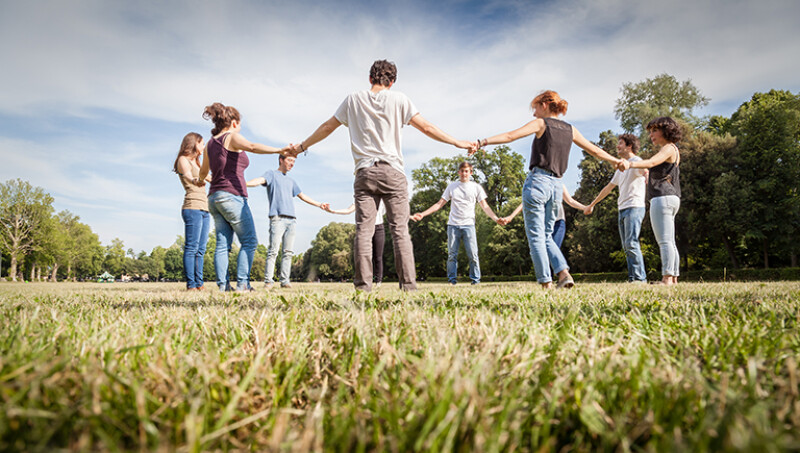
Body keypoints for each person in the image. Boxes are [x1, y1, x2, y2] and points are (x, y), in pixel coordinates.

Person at [287, 59, 475, 291]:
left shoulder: (352, 99)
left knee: (363, 232)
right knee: (399, 231)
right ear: (392, 81)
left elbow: (327, 127)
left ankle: (363, 287)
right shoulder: (400, 99)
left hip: (364, 173)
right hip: (393, 172)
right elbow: (427, 128)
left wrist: (301, 147)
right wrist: (457, 141)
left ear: (370, 78)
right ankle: (408, 286)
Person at [477, 90, 624, 289]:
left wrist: (482, 142)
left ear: (545, 104)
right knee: (546, 236)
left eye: (535, 108)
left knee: (537, 236)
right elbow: (594, 150)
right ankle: (563, 274)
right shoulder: (571, 129)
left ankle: (546, 283)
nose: (534, 114)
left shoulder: (541, 124)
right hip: (557, 186)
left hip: (538, 182)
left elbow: (511, 135)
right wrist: (616, 161)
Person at [197, 102, 289, 292]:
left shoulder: (210, 143)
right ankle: (243, 284)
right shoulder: (231, 137)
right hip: (232, 196)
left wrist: (202, 181)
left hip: (214, 197)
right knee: (249, 241)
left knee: (222, 244)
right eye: (239, 124)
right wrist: (280, 150)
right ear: (233, 122)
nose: (240, 128)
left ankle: (223, 287)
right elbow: (253, 146)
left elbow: (203, 171)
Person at [411, 162, 502, 285]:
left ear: (471, 172)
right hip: (453, 225)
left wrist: (496, 219)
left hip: (469, 225)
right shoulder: (452, 187)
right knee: (452, 255)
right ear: (458, 172)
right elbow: (439, 204)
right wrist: (423, 214)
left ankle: (475, 281)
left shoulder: (476, 187)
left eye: (466, 171)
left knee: (473, 255)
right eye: (462, 171)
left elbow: (485, 206)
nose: (464, 173)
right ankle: (452, 281)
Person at [246, 155, 329, 289]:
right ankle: (268, 281)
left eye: (294, 162)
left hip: (292, 220)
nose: (292, 164)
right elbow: (259, 181)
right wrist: (243, 183)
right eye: (289, 160)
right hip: (277, 218)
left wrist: (319, 204)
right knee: (273, 251)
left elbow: (302, 196)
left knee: (288, 252)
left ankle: (285, 281)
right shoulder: (271, 174)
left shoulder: (291, 181)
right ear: (281, 160)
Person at [622, 117, 681, 285]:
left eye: (654, 130)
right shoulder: (674, 150)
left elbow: (652, 162)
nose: (651, 135)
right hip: (672, 197)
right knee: (669, 240)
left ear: (666, 131)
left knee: (664, 240)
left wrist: (629, 164)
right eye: (650, 132)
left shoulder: (668, 148)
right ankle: (673, 278)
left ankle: (667, 278)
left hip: (662, 198)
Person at [584, 134, 648, 283]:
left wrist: (646, 174)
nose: (617, 147)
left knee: (631, 243)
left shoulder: (636, 161)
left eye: (620, 144)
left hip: (634, 206)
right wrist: (592, 204)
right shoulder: (621, 167)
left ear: (629, 146)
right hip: (623, 208)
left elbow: (645, 169)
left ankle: (640, 279)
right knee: (627, 246)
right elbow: (608, 188)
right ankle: (633, 279)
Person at [174, 132, 210, 291]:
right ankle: (191, 285)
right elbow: (188, 176)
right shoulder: (183, 160)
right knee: (192, 247)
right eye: (202, 143)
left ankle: (199, 284)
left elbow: (211, 178)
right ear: (194, 143)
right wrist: (195, 180)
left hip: (205, 208)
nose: (204, 146)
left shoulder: (198, 163)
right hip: (192, 207)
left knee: (201, 250)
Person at [501, 184, 588, 249]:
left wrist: (585, 207)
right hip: (543, 225)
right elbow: (525, 203)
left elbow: (570, 201)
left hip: (558, 223)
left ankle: (560, 272)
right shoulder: (538, 185)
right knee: (544, 253)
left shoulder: (559, 184)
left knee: (554, 250)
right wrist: (511, 216)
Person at [325, 201, 387, 287]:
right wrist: (333, 211)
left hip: (379, 227)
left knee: (378, 257)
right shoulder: (361, 197)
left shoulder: (381, 198)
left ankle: (378, 282)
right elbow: (348, 210)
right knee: (363, 256)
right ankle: (364, 280)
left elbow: (392, 212)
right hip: (364, 228)